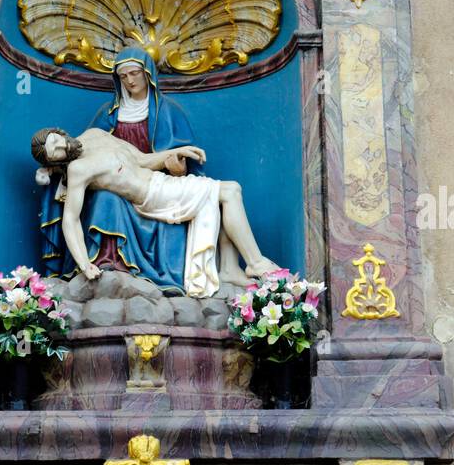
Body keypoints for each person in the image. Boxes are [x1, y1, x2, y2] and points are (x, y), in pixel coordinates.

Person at [32, 125, 279, 298]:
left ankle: (229, 268)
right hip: (153, 198)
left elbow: (141, 159)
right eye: (56, 151)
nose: (61, 145)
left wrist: (175, 153)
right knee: (230, 191)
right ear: (55, 162)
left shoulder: (96, 135)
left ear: (58, 131)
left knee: (223, 195)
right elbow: (70, 220)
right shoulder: (78, 169)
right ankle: (256, 263)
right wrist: (85, 265)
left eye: (56, 139)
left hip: (160, 183)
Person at [38, 47, 196, 290]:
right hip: (113, 188)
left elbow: (152, 158)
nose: (130, 81)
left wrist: (176, 166)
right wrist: (50, 170)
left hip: (152, 183)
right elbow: (75, 155)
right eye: (123, 77)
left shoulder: (167, 112)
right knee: (105, 199)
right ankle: (104, 262)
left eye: (134, 74)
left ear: (148, 74)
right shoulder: (106, 117)